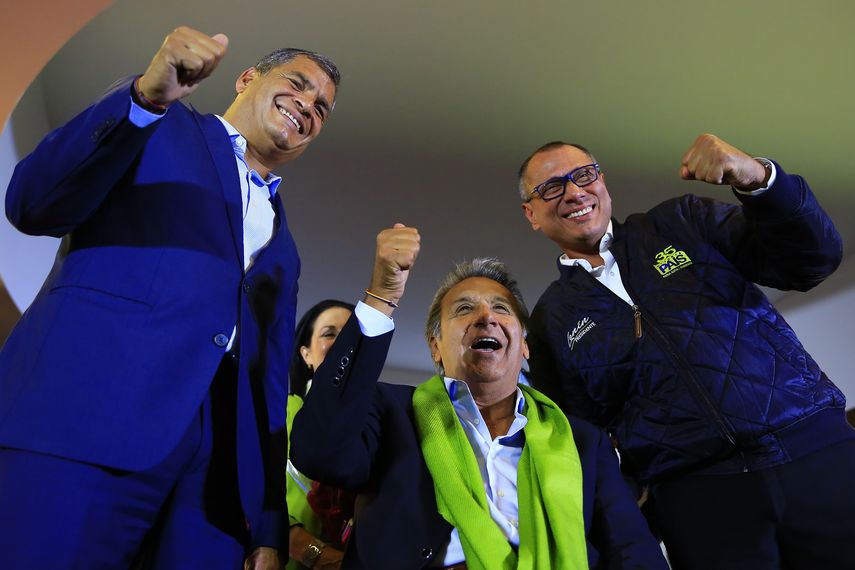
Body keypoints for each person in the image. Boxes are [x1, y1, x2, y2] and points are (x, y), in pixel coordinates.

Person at [0, 26, 339, 569]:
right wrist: (145, 97)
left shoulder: (286, 247)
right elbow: (31, 203)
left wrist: (268, 525)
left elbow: (269, 387)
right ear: (248, 78)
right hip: (84, 433)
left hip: (210, 498)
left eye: (322, 108)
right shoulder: (157, 124)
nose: (308, 105)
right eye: (297, 84)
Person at [518, 134, 855, 569]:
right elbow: (583, 445)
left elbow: (814, 259)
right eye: (551, 187)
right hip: (700, 501)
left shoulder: (682, 221)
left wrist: (758, 178)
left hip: (817, 455)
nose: (574, 192)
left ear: (602, 182)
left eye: (583, 175)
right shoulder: (551, 320)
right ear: (531, 213)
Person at [290, 224, 668, 569]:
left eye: (501, 309)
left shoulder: (582, 441)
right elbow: (319, 451)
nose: (486, 317)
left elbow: (634, 551)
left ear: (524, 347)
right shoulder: (392, 413)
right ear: (435, 346)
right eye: (464, 309)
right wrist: (382, 297)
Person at [286, 300, 356, 569]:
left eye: (352, 334)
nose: (342, 342)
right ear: (306, 354)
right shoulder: (278, 413)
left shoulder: (388, 422)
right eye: (329, 333)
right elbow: (246, 497)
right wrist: (316, 553)